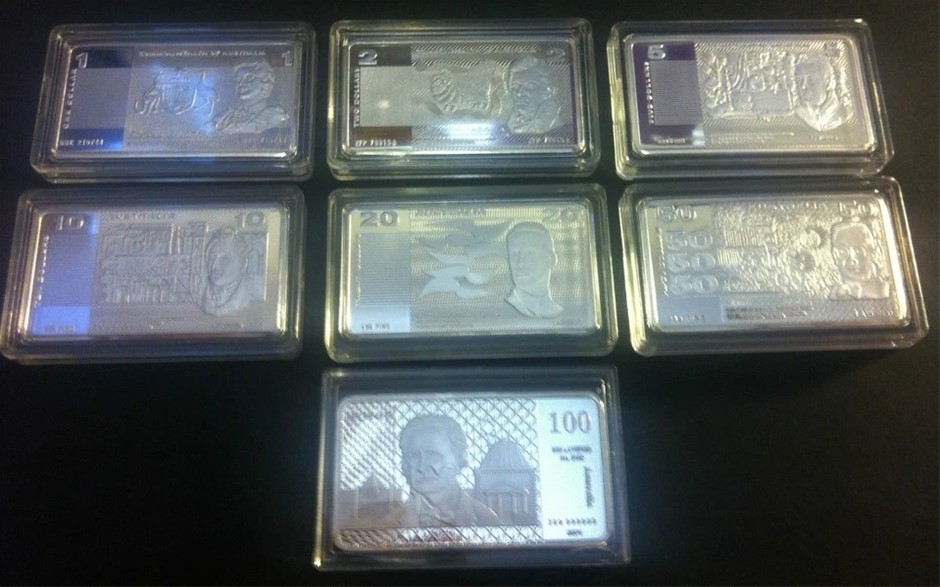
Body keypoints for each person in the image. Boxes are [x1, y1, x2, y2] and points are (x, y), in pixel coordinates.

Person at [385, 414, 500, 528]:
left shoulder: (485, 519)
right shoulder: (388, 526)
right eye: (414, 456)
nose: (422, 466)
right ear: (405, 464)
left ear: (458, 460)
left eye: (432, 455)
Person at [505, 223, 564, 318]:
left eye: (529, 253)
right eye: (514, 254)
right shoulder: (504, 310)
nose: (520, 263)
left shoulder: (557, 310)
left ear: (551, 259)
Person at [214, 58, 288, 134]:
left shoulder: (275, 115)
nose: (241, 83)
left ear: (265, 81)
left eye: (249, 78)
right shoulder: (228, 118)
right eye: (238, 79)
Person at [828, 221, 890, 300]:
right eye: (843, 251)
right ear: (834, 255)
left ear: (872, 253)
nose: (852, 258)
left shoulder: (884, 290)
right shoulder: (833, 294)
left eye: (859, 250)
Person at [201, 229, 252, 316]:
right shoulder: (197, 297)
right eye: (212, 258)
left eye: (224, 260)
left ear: (243, 264)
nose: (214, 266)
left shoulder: (253, 300)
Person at [506, 56, 562, 134]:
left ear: (550, 91)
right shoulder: (508, 127)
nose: (519, 93)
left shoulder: (558, 131)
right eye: (515, 87)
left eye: (530, 86)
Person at [793, 56, 845, 132]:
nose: (803, 86)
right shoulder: (799, 112)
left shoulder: (840, 114)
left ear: (827, 82)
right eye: (800, 80)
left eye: (810, 80)